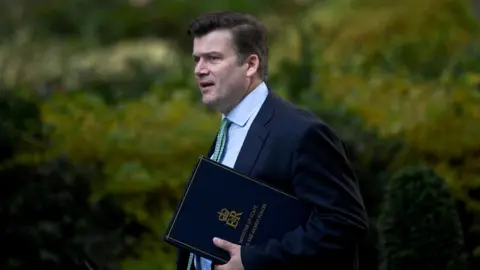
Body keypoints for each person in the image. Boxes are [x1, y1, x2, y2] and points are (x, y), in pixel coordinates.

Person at [176, 11, 369, 270]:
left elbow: (344, 224)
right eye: (196, 59)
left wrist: (252, 260)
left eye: (213, 58)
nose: (199, 70)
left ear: (251, 65)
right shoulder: (227, 130)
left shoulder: (301, 133)